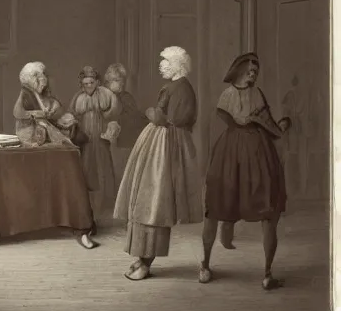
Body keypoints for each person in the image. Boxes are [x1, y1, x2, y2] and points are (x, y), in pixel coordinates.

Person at [199, 53, 290, 290]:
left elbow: (268, 123)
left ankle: (268, 273)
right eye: (249, 71)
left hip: (258, 151)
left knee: (267, 205)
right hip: (231, 151)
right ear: (239, 71)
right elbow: (225, 116)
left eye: (255, 72)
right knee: (217, 201)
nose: (253, 75)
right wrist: (243, 122)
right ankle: (205, 264)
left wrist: (277, 127)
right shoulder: (228, 94)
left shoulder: (257, 94)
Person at [114, 47, 202, 281]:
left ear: (178, 65)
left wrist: (154, 113)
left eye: (165, 62)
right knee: (145, 201)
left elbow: (176, 121)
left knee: (154, 203)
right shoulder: (176, 86)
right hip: (157, 141)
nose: (161, 65)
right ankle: (141, 258)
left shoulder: (183, 88)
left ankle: (145, 261)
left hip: (165, 146)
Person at [13, 61, 98, 249]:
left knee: (70, 161)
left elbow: (54, 111)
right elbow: (19, 113)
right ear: (32, 79)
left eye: (42, 76)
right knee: (65, 164)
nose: (43, 80)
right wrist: (40, 115)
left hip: (46, 135)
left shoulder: (41, 93)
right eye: (39, 77)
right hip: (32, 139)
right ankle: (75, 222)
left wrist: (60, 118)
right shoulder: (26, 93)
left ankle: (80, 222)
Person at [69, 66, 121, 221]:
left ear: (97, 82)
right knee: (86, 166)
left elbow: (114, 111)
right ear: (81, 85)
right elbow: (73, 114)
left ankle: (105, 203)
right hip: (86, 136)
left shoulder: (106, 94)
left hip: (100, 135)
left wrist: (109, 124)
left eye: (91, 82)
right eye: (85, 84)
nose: (88, 86)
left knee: (102, 165)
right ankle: (87, 204)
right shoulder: (78, 98)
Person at [104, 63, 147, 186]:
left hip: (125, 141)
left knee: (123, 172)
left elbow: (132, 119)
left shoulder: (126, 97)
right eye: (113, 80)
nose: (119, 83)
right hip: (110, 141)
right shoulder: (107, 97)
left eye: (119, 80)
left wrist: (116, 122)